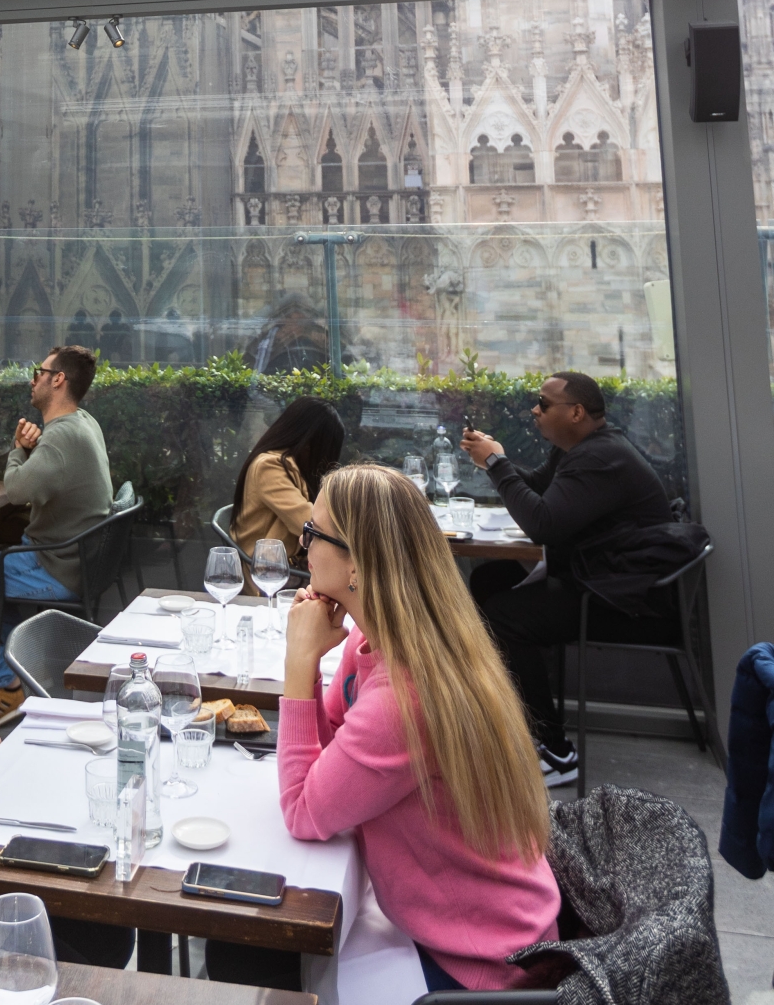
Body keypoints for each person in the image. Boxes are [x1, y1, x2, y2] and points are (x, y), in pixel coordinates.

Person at [276, 462, 560, 995]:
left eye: (313, 533)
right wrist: (316, 662)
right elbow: (332, 754)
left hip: (477, 968)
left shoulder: (404, 698)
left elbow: (303, 810)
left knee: (269, 961)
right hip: (490, 929)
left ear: (356, 563)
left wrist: (299, 664)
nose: (300, 541)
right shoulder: (390, 644)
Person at [463, 370, 684, 787]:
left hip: (626, 601)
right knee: (490, 579)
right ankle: (518, 721)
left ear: (577, 412)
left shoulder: (601, 458)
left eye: (544, 404)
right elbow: (537, 494)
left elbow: (542, 523)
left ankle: (557, 751)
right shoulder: (579, 451)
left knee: (504, 615)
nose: (535, 409)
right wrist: (497, 459)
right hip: (601, 580)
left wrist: (496, 462)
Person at [0, 344, 112, 724]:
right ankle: (21, 676)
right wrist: (29, 451)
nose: (33, 378)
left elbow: (18, 490)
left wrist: (17, 449)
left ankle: (7, 687)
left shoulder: (61, 435)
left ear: (58, 380)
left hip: (53, 565)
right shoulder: (83, 422)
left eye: (39, 372)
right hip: (69, 559)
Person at [231, 395, 344, 567]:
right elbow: (308, 524)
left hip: (286, 566)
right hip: (268, 573)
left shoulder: (290, 464)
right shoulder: (269, 466)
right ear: (310, 443)